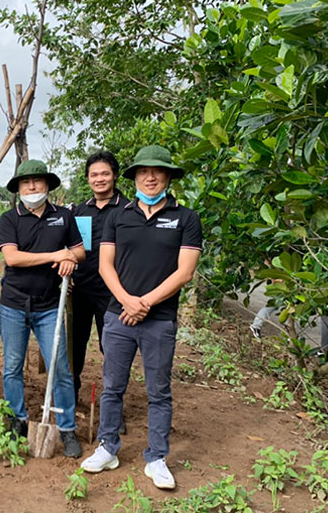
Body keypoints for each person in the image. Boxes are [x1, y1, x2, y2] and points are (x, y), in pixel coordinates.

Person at [81, 145, 202, 490]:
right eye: (143, 171)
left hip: (159, 319)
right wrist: (126, 302)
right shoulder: (120, 216)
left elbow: (185, 273)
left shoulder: (186, 218)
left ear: (167, 176)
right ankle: (108, 447)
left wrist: (143, 303)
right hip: (118, 318)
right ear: (134, 177)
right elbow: (105, 264)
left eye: (158, 171)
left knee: (159, 391)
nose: (150, 177)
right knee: (112, 386)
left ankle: (157, 457)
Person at [0, 159, 86, 458]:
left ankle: (67, 428)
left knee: (59, 367)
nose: (32, 187)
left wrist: (69, 258)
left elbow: (80, 250)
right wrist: (55, 254)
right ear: (19, 188)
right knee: (12, 367)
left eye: (37, 181)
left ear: (47, 185)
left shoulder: (63, 217)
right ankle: (18, 420)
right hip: (14, 304)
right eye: (26, 182)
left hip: (50, 306)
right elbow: (13, 258)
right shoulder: (9, 220)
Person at [70, 151, 127, 406]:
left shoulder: (129, 210)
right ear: (87, 179)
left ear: (114, 175)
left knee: (113, 350)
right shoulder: (79, 211)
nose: (99, 179)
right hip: (80, 290)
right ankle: (70, 394)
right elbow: (69, 247)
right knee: (74, 347)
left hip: (114, 294)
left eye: (105, 173)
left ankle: (114, 405)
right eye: (94, 175)